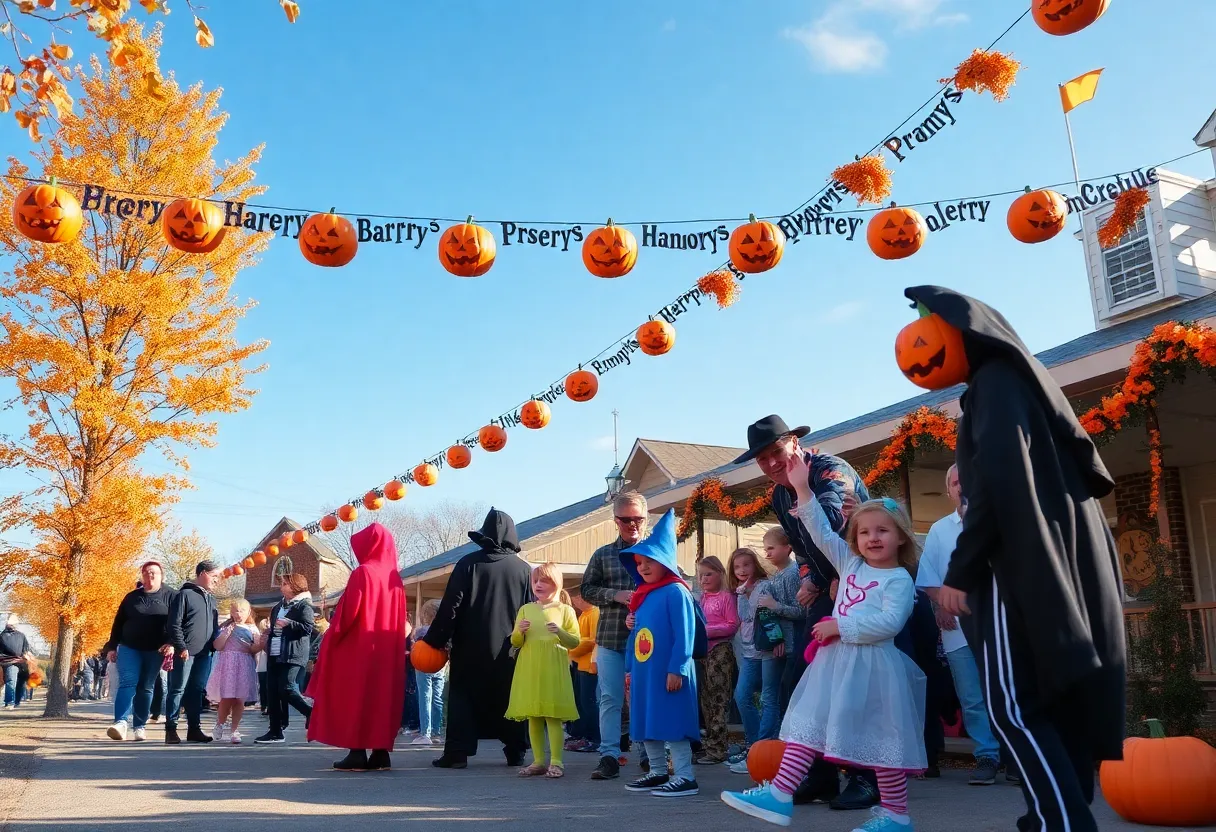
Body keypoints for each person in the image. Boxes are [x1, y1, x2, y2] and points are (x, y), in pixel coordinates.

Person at [908, 286, 1126, 832]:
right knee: (1056, 701)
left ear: (965, 332)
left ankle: (1063, 823)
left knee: (1014, 704)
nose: (913, 351)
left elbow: (999, 482)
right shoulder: (1024, 388)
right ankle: (1050, 815)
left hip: (1014, 566)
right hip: (1060, 560)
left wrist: (963, 571)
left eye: (925, 333)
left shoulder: (993, 386)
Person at [722, 455, 926, 831]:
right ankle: (780, 794)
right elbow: (819, 531)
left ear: (900, 536)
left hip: (874, 669)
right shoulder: (849, 564)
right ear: (855, 539)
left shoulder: (898, 579)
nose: (873, 538)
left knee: (882, 744)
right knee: (806, 723)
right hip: (835, 666)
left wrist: (839, 626)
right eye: (865, 532)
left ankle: (897, 816)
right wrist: (801, 487)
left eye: (882, 531)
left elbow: (890, 623)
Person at [736, 414, 881, 808]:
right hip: (828, 587)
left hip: (867, 586)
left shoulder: (830, 472)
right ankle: (819, 777)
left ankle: (869, 778)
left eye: (776, 452)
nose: (770, 464)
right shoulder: (779, 495)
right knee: (799, 681)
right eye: (762, 458)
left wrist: (833, 576)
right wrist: (812, 579)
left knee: (852, 685)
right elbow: (803, 547)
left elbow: (835, 530)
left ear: (795, 445)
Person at [423, 507, 533, 769]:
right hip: (510, 649)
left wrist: (435, 640)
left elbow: (451, 606)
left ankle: (457, 753)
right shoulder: (523, 570)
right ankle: (516, 750)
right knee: (510, 698)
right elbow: (529, 608)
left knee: (463, 698)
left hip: (470, 647)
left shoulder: (468, 564)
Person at [915, 463, 1003, 785]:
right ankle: (987, 757)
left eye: (966, 479)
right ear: (949, 490)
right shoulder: (939, 530)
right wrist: (941, 605)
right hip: (958, 629)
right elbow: (928, 579)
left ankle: (1017, 757)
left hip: (999, 625)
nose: (960, 486)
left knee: (1006, 691)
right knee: (972, 697)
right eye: (954, 482)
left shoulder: (1001, 520)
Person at [308, 523, 407, 772]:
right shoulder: (395, 577)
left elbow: (347, 615)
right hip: (386, 651)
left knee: (357, 697)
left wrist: (332, 636)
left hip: (359, 648)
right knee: (381, 697)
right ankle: (381, 753)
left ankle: (357, 752)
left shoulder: (363, 573)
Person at [618, 509, 701, 797]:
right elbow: (638, 637)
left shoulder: (676, 593)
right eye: (639, 562)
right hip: (645, 673)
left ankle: (685, 776)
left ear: (665, 560)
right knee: (646, 721)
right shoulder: (644, 595)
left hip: (668, 671)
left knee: (671, 721)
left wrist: (677, 668)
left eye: (649, 560)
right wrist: (629, 669)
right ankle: (657, 771)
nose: (642, 567)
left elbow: (685, 633)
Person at [580, 490, 649, 781]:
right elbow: (586, 590)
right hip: (611, 636)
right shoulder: (604, 554)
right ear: (615, 520)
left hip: (648, 639)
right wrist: (615, 595)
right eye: (625, 520)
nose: (632, 525)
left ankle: (650, 755)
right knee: (610, 698)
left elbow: (677, 585)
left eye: (638, 519)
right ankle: (609, 756)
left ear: (646, 519)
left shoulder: (657, 551)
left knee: (644, 697)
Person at [506, 562, 581, 779]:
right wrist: (519, 631)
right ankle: (538, 761)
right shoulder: (526, 609)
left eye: (544, 580)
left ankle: (556, 762)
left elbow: (574, 642)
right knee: (534, 716)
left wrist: (559, 632)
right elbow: (515, 641)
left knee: (553, 716)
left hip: (553, 667)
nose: (538, 584)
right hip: (529, 667)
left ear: (555, 584)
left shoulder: (565, 610)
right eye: (536, 580)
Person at [102, 562, 174, 740]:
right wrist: (111, 646)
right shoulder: (131, 597)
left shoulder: (172, 596)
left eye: (153, 573)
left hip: (156, 650)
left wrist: (172, 642)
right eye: (146, 573)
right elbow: (118, 623)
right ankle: (120, 723)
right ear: (141, 576)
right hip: (129, 647)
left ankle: (140, 725)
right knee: (128, 682)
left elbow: (178, 623)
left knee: (146, 687)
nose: (149, 577)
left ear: (161, 576)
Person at [728, 547, 779, 769]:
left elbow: (754, 615)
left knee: (769, 698)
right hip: (749, 652)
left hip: (766, 650)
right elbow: (742, 617)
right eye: (737, 567)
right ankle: (753, 744)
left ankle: (765, 746)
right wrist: (742, 593)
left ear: (755, 566)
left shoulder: (764, 586)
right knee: (742, 696)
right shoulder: (740, 590)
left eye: (746, 565)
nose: (742, 570)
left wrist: (746, 593)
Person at [162, 560, 222, 745]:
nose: (216, 580)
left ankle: (194, 729)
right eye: (214, 576)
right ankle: (171, 729)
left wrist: (214, 644)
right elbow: (174, 624)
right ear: (202, 573)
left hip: (205, 653)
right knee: (177, 689)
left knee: (196, 691)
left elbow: (213, 626)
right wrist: (181, 646)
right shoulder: (184, 595)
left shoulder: (211, 599)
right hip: (185, 652)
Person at [255, 573, 315, 744]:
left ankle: (310, 712)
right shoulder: (278, 607)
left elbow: (308, 628)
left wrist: (290, 624)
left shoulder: (304, 606)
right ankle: (275, 730)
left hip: (293, 654)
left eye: (284, 584)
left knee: (287, 688)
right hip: (275, 652)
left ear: (295, 586)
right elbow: (274, 629)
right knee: (272, 691)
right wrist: (268, 634)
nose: (281, 586)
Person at [694, 556, 738, 765]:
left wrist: (705, 631)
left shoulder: (726, 597)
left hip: (720, 651)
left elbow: (732, 625)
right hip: (703, 653)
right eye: (701, 575)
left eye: (709, 574)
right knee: (706, 700)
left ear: (720, 573)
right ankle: (708, 744)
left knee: (719, 699)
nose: (704, 579)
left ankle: (718, 748)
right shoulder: (702, 599)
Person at [204, 598, 260, 744]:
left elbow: (255, 648)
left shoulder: (252, 629)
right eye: (235, 610)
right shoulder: (225, 627)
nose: (238, 614)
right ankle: (220, 724)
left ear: (248, 612)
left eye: (242, 611)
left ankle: (235, 729)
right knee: (227, 697)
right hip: (228, 664)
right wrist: (227, 633)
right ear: (231, 612)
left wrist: (257, 644)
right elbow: (217, 646)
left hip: (244, 664)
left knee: (240, 698)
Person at [565, 593, 600, 753]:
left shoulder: (595, 613)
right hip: (580, 665)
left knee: (589, 703)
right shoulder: (584, 615)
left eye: (577, 597)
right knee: (581, 702)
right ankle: (583, 735)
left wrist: (572, 647)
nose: (575, 601)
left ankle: (594, 738)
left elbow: (593, 640)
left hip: (590, 666)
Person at [413, 599, 446, 746]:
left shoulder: (422, 631)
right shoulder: (443, 630)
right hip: (440, 666)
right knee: (438, 698)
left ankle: (425, 732)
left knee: (425, 697)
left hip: (423, 666)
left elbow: (416, 644)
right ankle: (436, 732)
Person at [1, 614, 37, 710]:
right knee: (11, 681)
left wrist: (27, 656)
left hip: (20, 662)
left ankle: (15, 701)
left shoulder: (21, 636)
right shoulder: (2, 636)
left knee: (21, 682)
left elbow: (26, 649)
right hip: (9, 662)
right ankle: (9, 702)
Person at [255, 619, 270, 716]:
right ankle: (264, 705)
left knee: (266, 686)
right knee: (264, 686)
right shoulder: (259, 635)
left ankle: (266, 705)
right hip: (262, 663)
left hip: (266, 663)